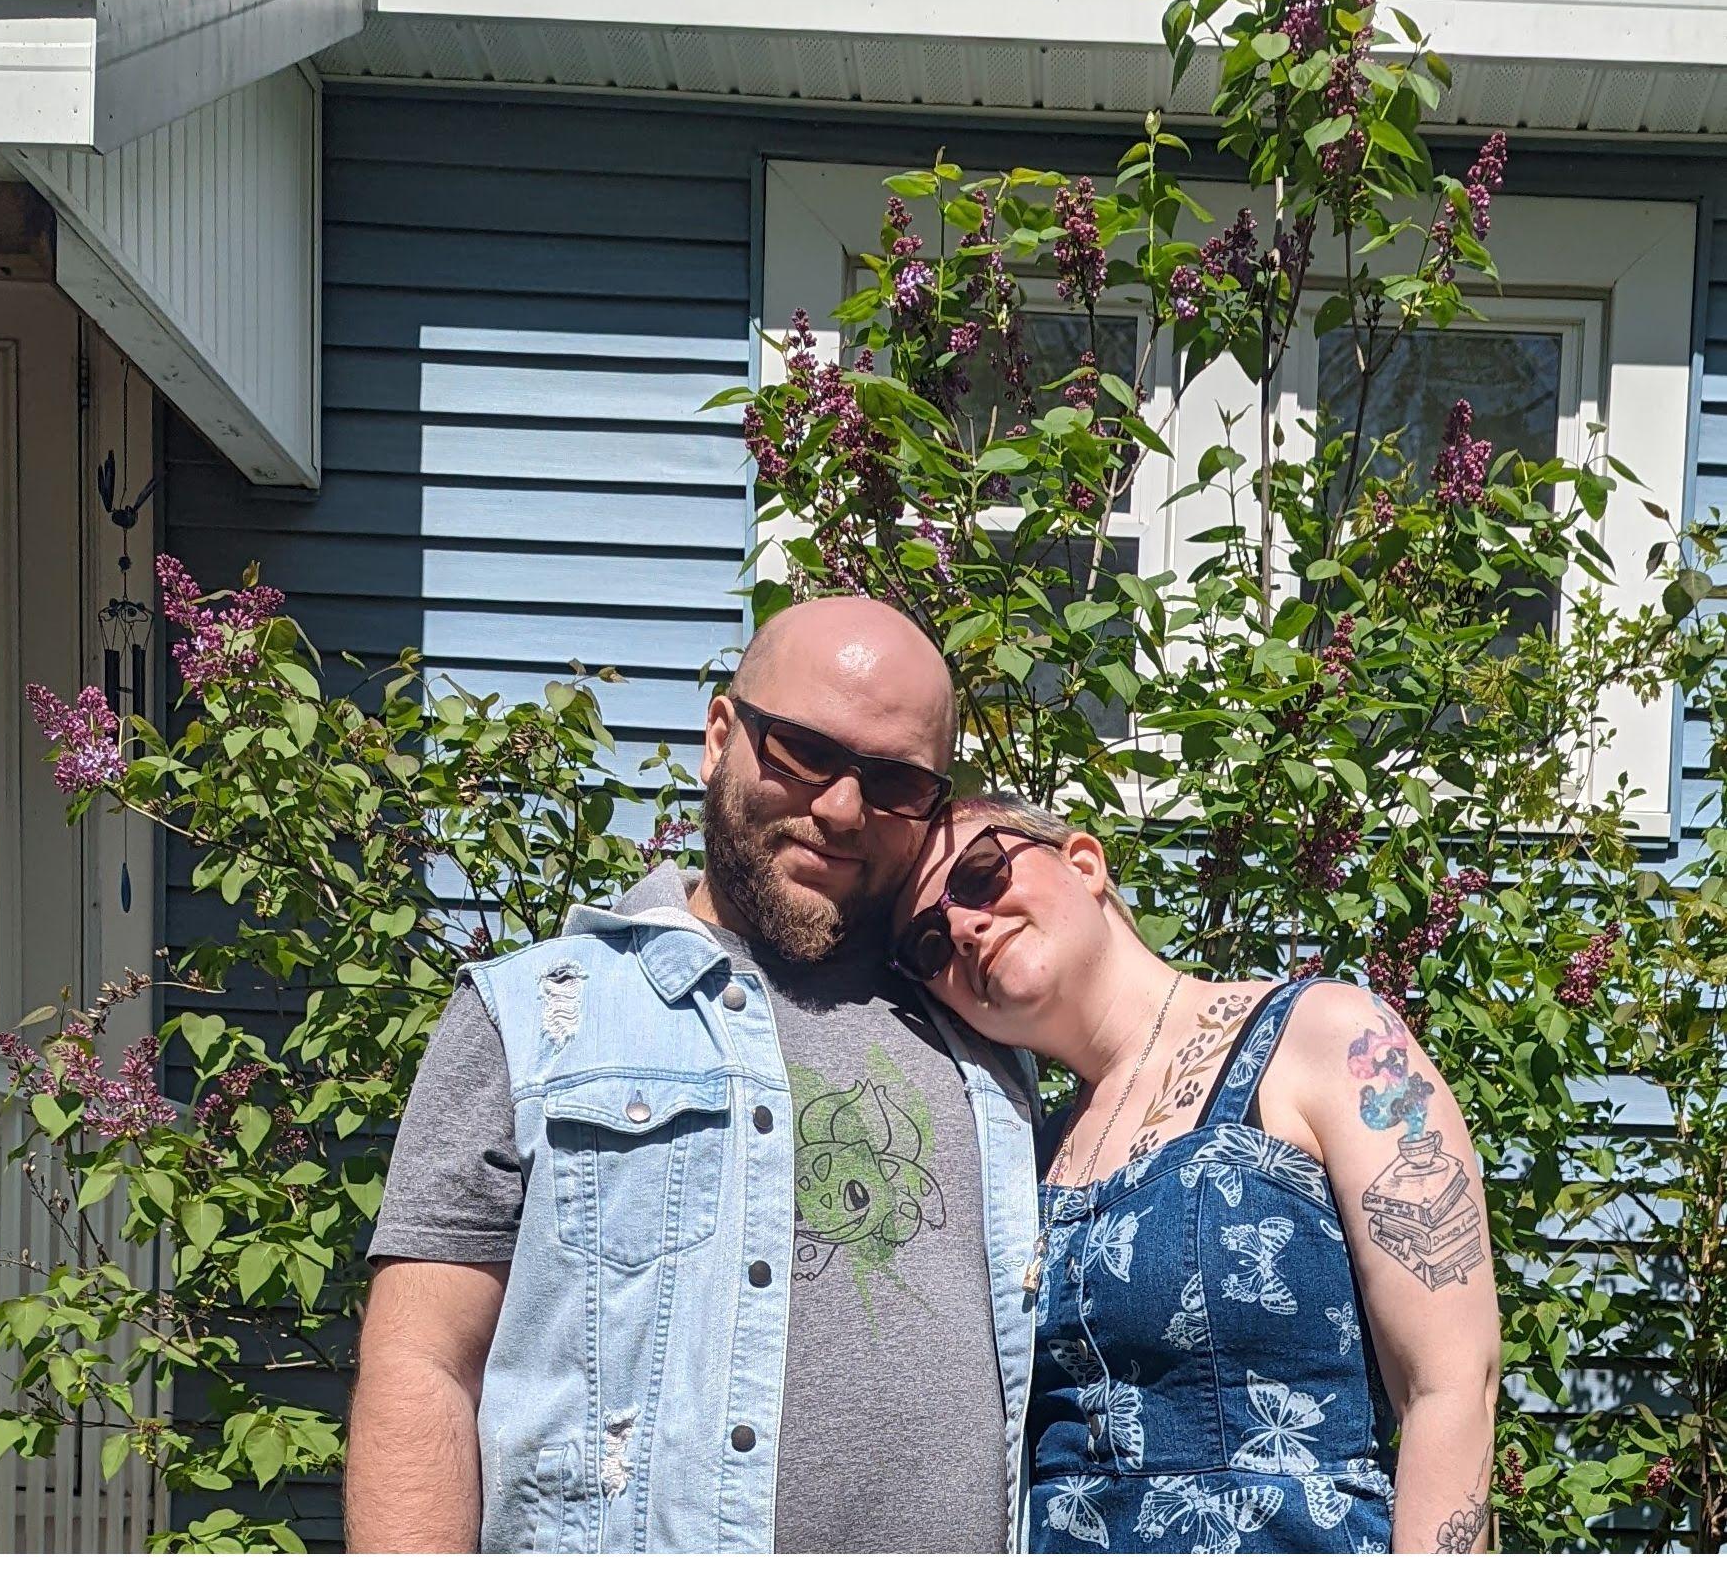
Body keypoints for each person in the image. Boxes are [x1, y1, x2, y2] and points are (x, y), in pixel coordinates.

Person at [345, 597, 1040, 1554]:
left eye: (894, 783)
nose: (842, 809)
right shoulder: (537, 1016)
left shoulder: (987, 1040)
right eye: (804, 752)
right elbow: (422, 1366)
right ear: (720, 738)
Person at [892, 794, 1502, 1556]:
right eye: (927, 944)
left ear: (1083, 862)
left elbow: (1451, 1387)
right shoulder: (1023, 1161)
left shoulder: (1325, 1037)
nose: (962, 926)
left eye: (979, 874)